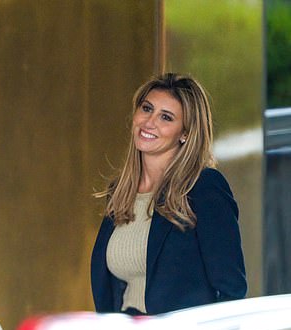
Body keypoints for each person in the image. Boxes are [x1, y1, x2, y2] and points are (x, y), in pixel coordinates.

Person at [90, 73, 246, 316]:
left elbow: (231, 290)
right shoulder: (120, 193)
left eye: (166, 117)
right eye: (146, 109)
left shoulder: (203, 188)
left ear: (185, 133)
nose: (149, 122)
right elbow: (109, 291)